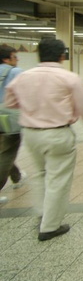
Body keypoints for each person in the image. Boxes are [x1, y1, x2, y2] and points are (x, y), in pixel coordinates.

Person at [4, 38, 83, 241]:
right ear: (62, 56)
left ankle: (42, 213)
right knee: (58, 178)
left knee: (39, 174)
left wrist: (33, 107)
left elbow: (10, 102)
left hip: (30, 133)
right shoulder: (69, 78)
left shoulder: (23, 76)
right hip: (58, 133)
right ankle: (50, 226)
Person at [0, 45, 25, 205]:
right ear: (6, 59)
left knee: (5, 151)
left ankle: (16, 176)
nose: (17, 60)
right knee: (8, 151)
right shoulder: (15, 72)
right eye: (15, 57)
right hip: (8, 117)